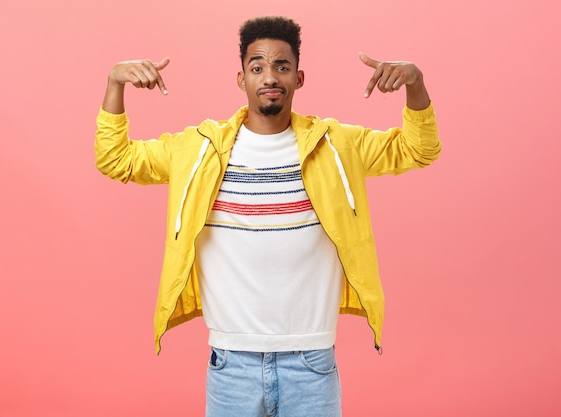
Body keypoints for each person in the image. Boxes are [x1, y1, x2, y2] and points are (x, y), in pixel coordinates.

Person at [95, 15, 440, 417]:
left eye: (282, 66)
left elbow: (420, 149)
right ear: (241, 79)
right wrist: (114, 84)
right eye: (257, 67)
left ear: (299, 77)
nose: (270, 77)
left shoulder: (338, 146)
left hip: (312, 362)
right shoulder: (198, 149)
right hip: (231, 364)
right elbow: (115, 159)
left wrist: (415, 83)